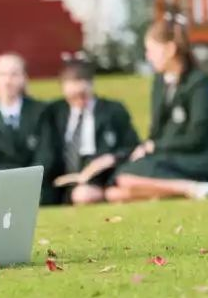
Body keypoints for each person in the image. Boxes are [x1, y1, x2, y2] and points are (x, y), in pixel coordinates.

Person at [109, 14, 208, 202]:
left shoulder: (200, 83)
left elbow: (197, 136)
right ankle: (191, 190)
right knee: (115, 192)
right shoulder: (160, 83)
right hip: (169, 157)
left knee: (125, 179)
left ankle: (194, 186)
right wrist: (148, 147)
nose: (148, 56)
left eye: (151, 50)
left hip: (198, 158)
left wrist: (155, 146)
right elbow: (156, 130)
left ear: (170, 49)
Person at [46, 53, 140, 205]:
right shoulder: (55, 113)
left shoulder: (113, 110)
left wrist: (112, 158)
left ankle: (106, 194)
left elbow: (133, 146)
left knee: (84, 195)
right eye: (73, 96)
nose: (79, 100)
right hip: (65, 180)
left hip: (104, 177)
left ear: (91, 85)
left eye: (83, 95)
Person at [0, 53, 55, 202]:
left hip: (34, 184)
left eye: (14, 74)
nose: (7, 81)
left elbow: (45, 154)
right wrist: (7, 181)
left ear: (24, 78)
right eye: (2, 74)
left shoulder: (40, 111)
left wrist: (25, 181)